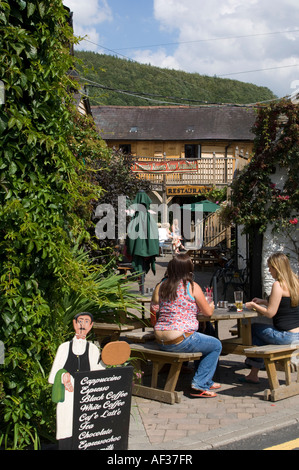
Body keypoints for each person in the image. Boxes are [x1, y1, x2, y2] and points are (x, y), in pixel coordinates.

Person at [150, 253, 222, 397]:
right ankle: (200, 384)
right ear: (188, 270)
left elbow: (154, 308)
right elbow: (207, 313)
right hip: (179, 339)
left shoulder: (161, 286)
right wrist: (212, 306)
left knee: (203, 339)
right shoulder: (191, 286)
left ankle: (205, 379)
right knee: (215, 345)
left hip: (161, 339)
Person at [48, 312, 105, 449]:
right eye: (80, 321)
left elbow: (98, 374)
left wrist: (106, 362)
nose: (82, 325)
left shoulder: (93, 349)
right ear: (74, 323)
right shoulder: (64, 347)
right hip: (67, 397)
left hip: (87, 399)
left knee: (86, 431)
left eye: (86, 322)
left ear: (91, 326)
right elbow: (53, 375)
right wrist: (63, 376)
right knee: (66, 428)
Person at [242, 252, 299, 384]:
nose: (269, 270)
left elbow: (270, 313)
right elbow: (286, 305)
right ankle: (254, 373)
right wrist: (264, 301)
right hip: (298, 334)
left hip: (287, 336)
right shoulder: (295, 282)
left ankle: (255, 367)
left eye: (270, 267)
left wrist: (253, 306)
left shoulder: (278, 285)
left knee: (253, 329)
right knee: (260, 334)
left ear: (277, 267)